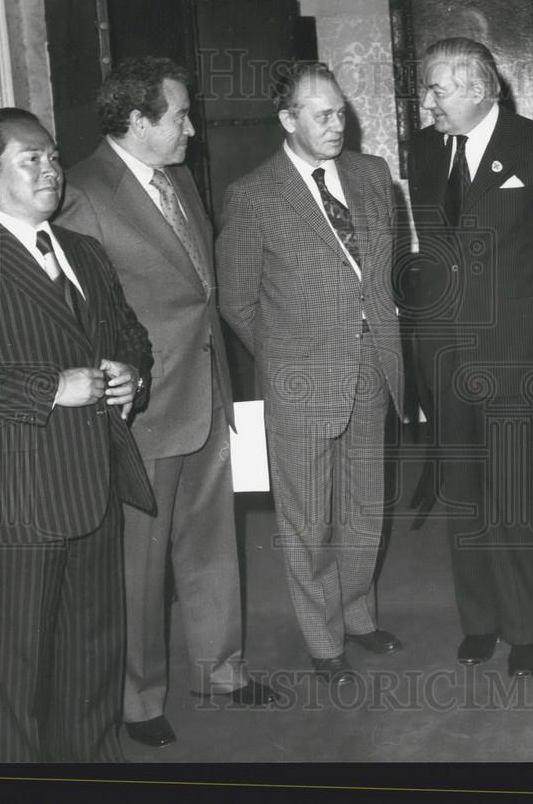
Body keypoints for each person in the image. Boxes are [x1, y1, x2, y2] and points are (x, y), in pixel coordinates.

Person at [58, 56, 275, 749]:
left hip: (210, 391)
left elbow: (199, 289)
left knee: (214, 544)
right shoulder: (84, 192)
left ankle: (222, 670)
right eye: (179, 115)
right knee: (139, 564)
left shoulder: (178, 177)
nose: (191, 127)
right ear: (137, 121)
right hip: (143, 409)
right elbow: (74, 310)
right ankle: (139, 697)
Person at [0, 108, 154, 761]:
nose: (49, 169)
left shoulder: (86, 252)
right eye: (29, 159)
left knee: (94, 667)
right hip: (19, 504)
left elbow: (129, 333)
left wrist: (132, 372)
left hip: (95, 488)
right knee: (15, 682)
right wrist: (48, 387)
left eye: (51, 155)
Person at [407, 37, 533, 678]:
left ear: (481, 88)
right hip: (445, 356)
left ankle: (528, 628)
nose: (426, 100)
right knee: (465, 495)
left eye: (437, 88)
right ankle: (480, 621)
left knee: (517, 494)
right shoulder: (426, 151)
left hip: (516, 354)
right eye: (426, 87)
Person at [216, 62, 405, 685]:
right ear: (287, 119)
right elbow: (237, 300)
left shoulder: (372, 175)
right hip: (301, 382)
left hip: (372, 369)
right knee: (308, 520)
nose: (336, 124)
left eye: (340, 111)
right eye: (320, 114)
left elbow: (386, 273)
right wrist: (291, 357)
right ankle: (324, 642)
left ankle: (358, 615)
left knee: (364, 507)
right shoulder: (254, 193)